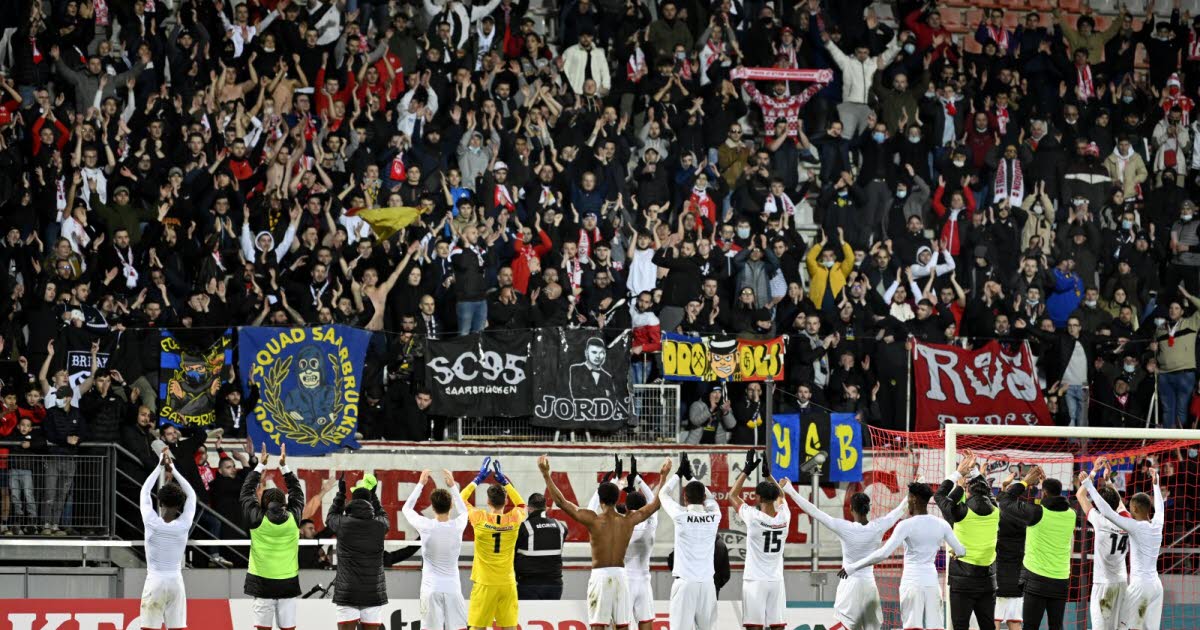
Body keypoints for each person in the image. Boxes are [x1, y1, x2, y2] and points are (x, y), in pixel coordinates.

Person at [538, 454, 670, 628]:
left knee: (598, 626)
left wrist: (546, 474)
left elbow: (561, 502)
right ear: (617, 500)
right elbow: (655, 505)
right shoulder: (628, 520)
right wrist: (663, 476)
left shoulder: (593, 520)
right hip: (621, 577)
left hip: (600, 577)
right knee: (623, 626)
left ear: (600, 500)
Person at [782, 478, 906, 630]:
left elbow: (813, 511)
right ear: (868, 508)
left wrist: (789, 489)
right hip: (869, 585)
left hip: (849, 586)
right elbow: (899, 510)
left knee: (846, 626)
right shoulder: (878, 527)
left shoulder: (844, 527)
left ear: (851, 509)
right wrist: (914, 490)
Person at [839, 482, 966, 630]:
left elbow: (883, 553)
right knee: (936, 627)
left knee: (912, 627)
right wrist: (953, 552)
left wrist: (853, 567)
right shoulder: (941, 524)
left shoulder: (906, 525)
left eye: (908, 498)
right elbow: (961, 551)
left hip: (912, 583)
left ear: (913, 499)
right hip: (932, 583)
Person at [1082, 457, 1165, 630]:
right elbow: (1159, 506)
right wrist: (1155, 485)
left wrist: (1089, 485)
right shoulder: (1157, 523)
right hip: (1156, 587)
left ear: (1134, 509)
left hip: (1138, 587)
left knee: (1126, 627)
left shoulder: (1134, 527)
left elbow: (1107, 511)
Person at [998, 466, 1076, 630]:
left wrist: (1025, 482)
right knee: (1056, 626)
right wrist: (1045, 485)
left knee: (1031, 626)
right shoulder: (1071, 514)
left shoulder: (1036, 513)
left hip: (1037, 579)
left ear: (1044, 493)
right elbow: (1053, 504)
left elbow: (1005, 502)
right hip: (1061, 579)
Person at [240, 443, 304, 630]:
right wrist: (284, 467)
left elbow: (246, 492)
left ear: (263, 503)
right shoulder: (294, 518)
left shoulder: (256, 519)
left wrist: (260, 466)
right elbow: (297, 493)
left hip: (261, 583)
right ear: (285, 503)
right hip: (288, 583)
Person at [934, 451, 1000, 630]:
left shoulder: (961, 512)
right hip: (987, 580)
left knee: (960, 626)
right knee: (988, 626)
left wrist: (959, 474)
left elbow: (939, 497)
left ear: (967, 492)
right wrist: (975, 472)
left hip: (963, 581)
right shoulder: (996, 509)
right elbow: (986, 489)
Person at [462, 457, 527, 630]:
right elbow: (521, 504)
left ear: (488, 502)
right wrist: (505, 482)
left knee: (477, 627)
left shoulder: (480, 518)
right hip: (507, 583)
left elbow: (461, 500)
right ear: (506, 502)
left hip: (485, 584)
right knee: (510, 627)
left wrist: (478, 479)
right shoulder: (513, 519)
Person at [729, 451, 790, 630]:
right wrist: (768, 476)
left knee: (754, 627)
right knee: (777, 626)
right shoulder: (785, 517)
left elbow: (733, 495)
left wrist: (747, 470)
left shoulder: (753, 517)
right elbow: (782, 497)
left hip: (755, 580)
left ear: (759, 498)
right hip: (776, 580)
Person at [659, 455, 721, 630]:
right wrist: (691, 476)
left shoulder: (680, 515)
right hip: (708, 585)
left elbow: (663, 494)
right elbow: (710, 498)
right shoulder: (714, 515)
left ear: (684, 498)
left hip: (685, 584)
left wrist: (678, 474)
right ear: (703, 499)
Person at [402, 469, 470, 630]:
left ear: (432, 507)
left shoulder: (426, 526)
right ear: (451, 505)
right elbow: (464, 511)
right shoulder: (458, 525)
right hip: (452, 588)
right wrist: (453, 486)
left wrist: (420, 484)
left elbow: (407, 509)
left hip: (430, 588)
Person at [138, 448, 196, 630]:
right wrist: (174, 469)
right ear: (180, 505)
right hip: (176, 583)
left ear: (160, 502)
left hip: (154, 582)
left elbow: (145, 491)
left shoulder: (151, 522)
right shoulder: (183, 524)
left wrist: (160, 467)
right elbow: (192, 495)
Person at [325, 473, 390, 630]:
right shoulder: (380, 525)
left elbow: (330, 517)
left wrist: (340, 494)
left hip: (347, 592)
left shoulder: (342, 523)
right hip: (373, 592)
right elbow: (383, 516)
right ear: (370, 504)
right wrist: (373, 495)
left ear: (351, 502)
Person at [1076, 462, 1130, 630]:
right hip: (1122, 583)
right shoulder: (1127, 519)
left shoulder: (1099, 520)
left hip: (1103, 585)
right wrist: (1108, 481)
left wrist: (1093, 473)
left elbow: (1080, 495)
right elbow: (1119, 503)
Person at [514, 492, 568, 600]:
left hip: (528, 585)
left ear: (528, 508)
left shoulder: (523, 528)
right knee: (550, 616)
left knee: (529, 616)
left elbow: (512, 554)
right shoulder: (561, 526)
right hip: (555, 585)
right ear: (546, 508)